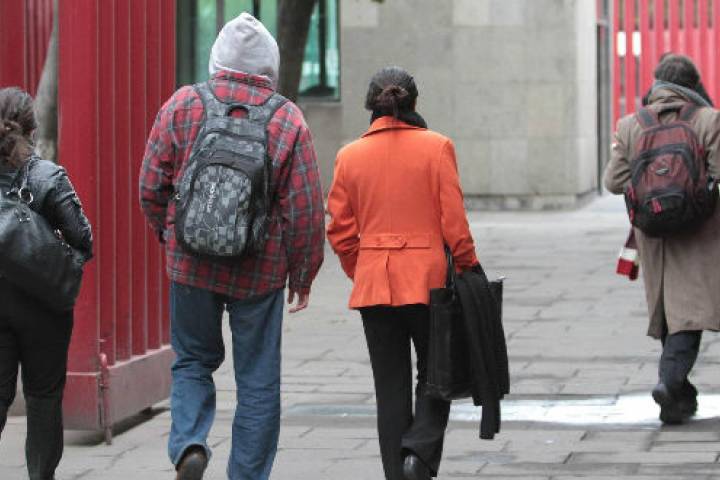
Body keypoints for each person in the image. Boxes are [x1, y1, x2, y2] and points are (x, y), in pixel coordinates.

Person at [139, 13, 325, 480]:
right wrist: (302, 274)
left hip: (191, 264)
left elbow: (151, 184)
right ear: (270, 65)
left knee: (191, 361)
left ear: (217, 57)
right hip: (259, 271)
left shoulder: (184, 104)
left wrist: (170, 233)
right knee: (258, 380)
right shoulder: (287, 118)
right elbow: (304, 208)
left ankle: (189, 444)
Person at [327, 66, 480, 480]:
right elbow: (454, 222)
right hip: (429, 283)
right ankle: (419, 453)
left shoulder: (349, 156)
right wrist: (468, 265)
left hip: (375, 284)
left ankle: (398, 472)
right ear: (414, 102)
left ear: (370, 106)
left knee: (389, 386)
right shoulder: (437, 147)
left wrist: (363, 268)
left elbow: (340, 230)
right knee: (437, 374)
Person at [605, 54, 720, 424]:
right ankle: (669, 384)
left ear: (657, 83)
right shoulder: (708, 119)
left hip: (653, 233)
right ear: (693, 84)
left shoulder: (631, 124)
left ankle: (678, 393)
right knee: (691, 310)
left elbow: (613, 182)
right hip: (699, 231)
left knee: (671, 309)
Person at [0, 87, 93, 480]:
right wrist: (59, 266)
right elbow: (83, 239)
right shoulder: (46, 177)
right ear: (32, 128)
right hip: (44, 306)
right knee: (43, 397)